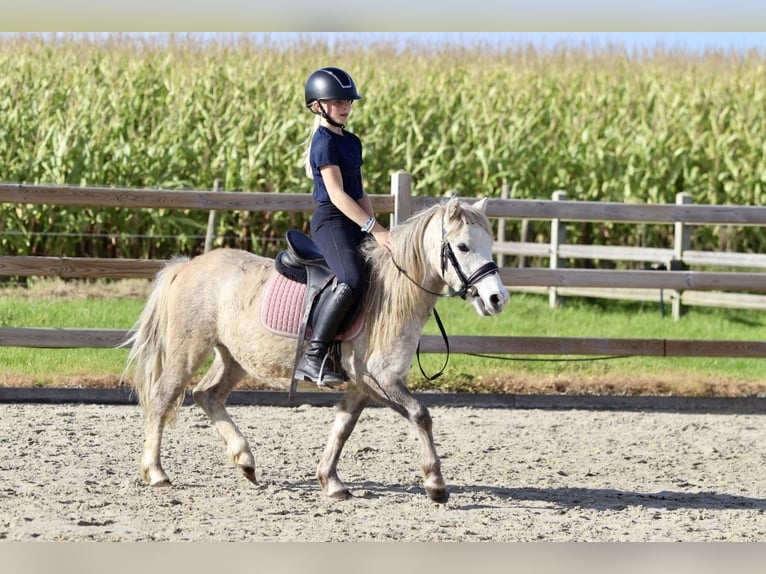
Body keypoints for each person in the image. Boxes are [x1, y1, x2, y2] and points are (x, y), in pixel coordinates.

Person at [295, 66, 392, 387]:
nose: (346, 106)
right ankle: (313, 356)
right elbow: (337, 195)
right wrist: (374, 229)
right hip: (332, 221)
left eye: (349, 101)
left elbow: (359, 191)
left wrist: (376, 231)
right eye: (338, 101)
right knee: (350, 278)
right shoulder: (322, 142)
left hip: (355, 219)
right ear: (317, 106)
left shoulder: (352, 141)